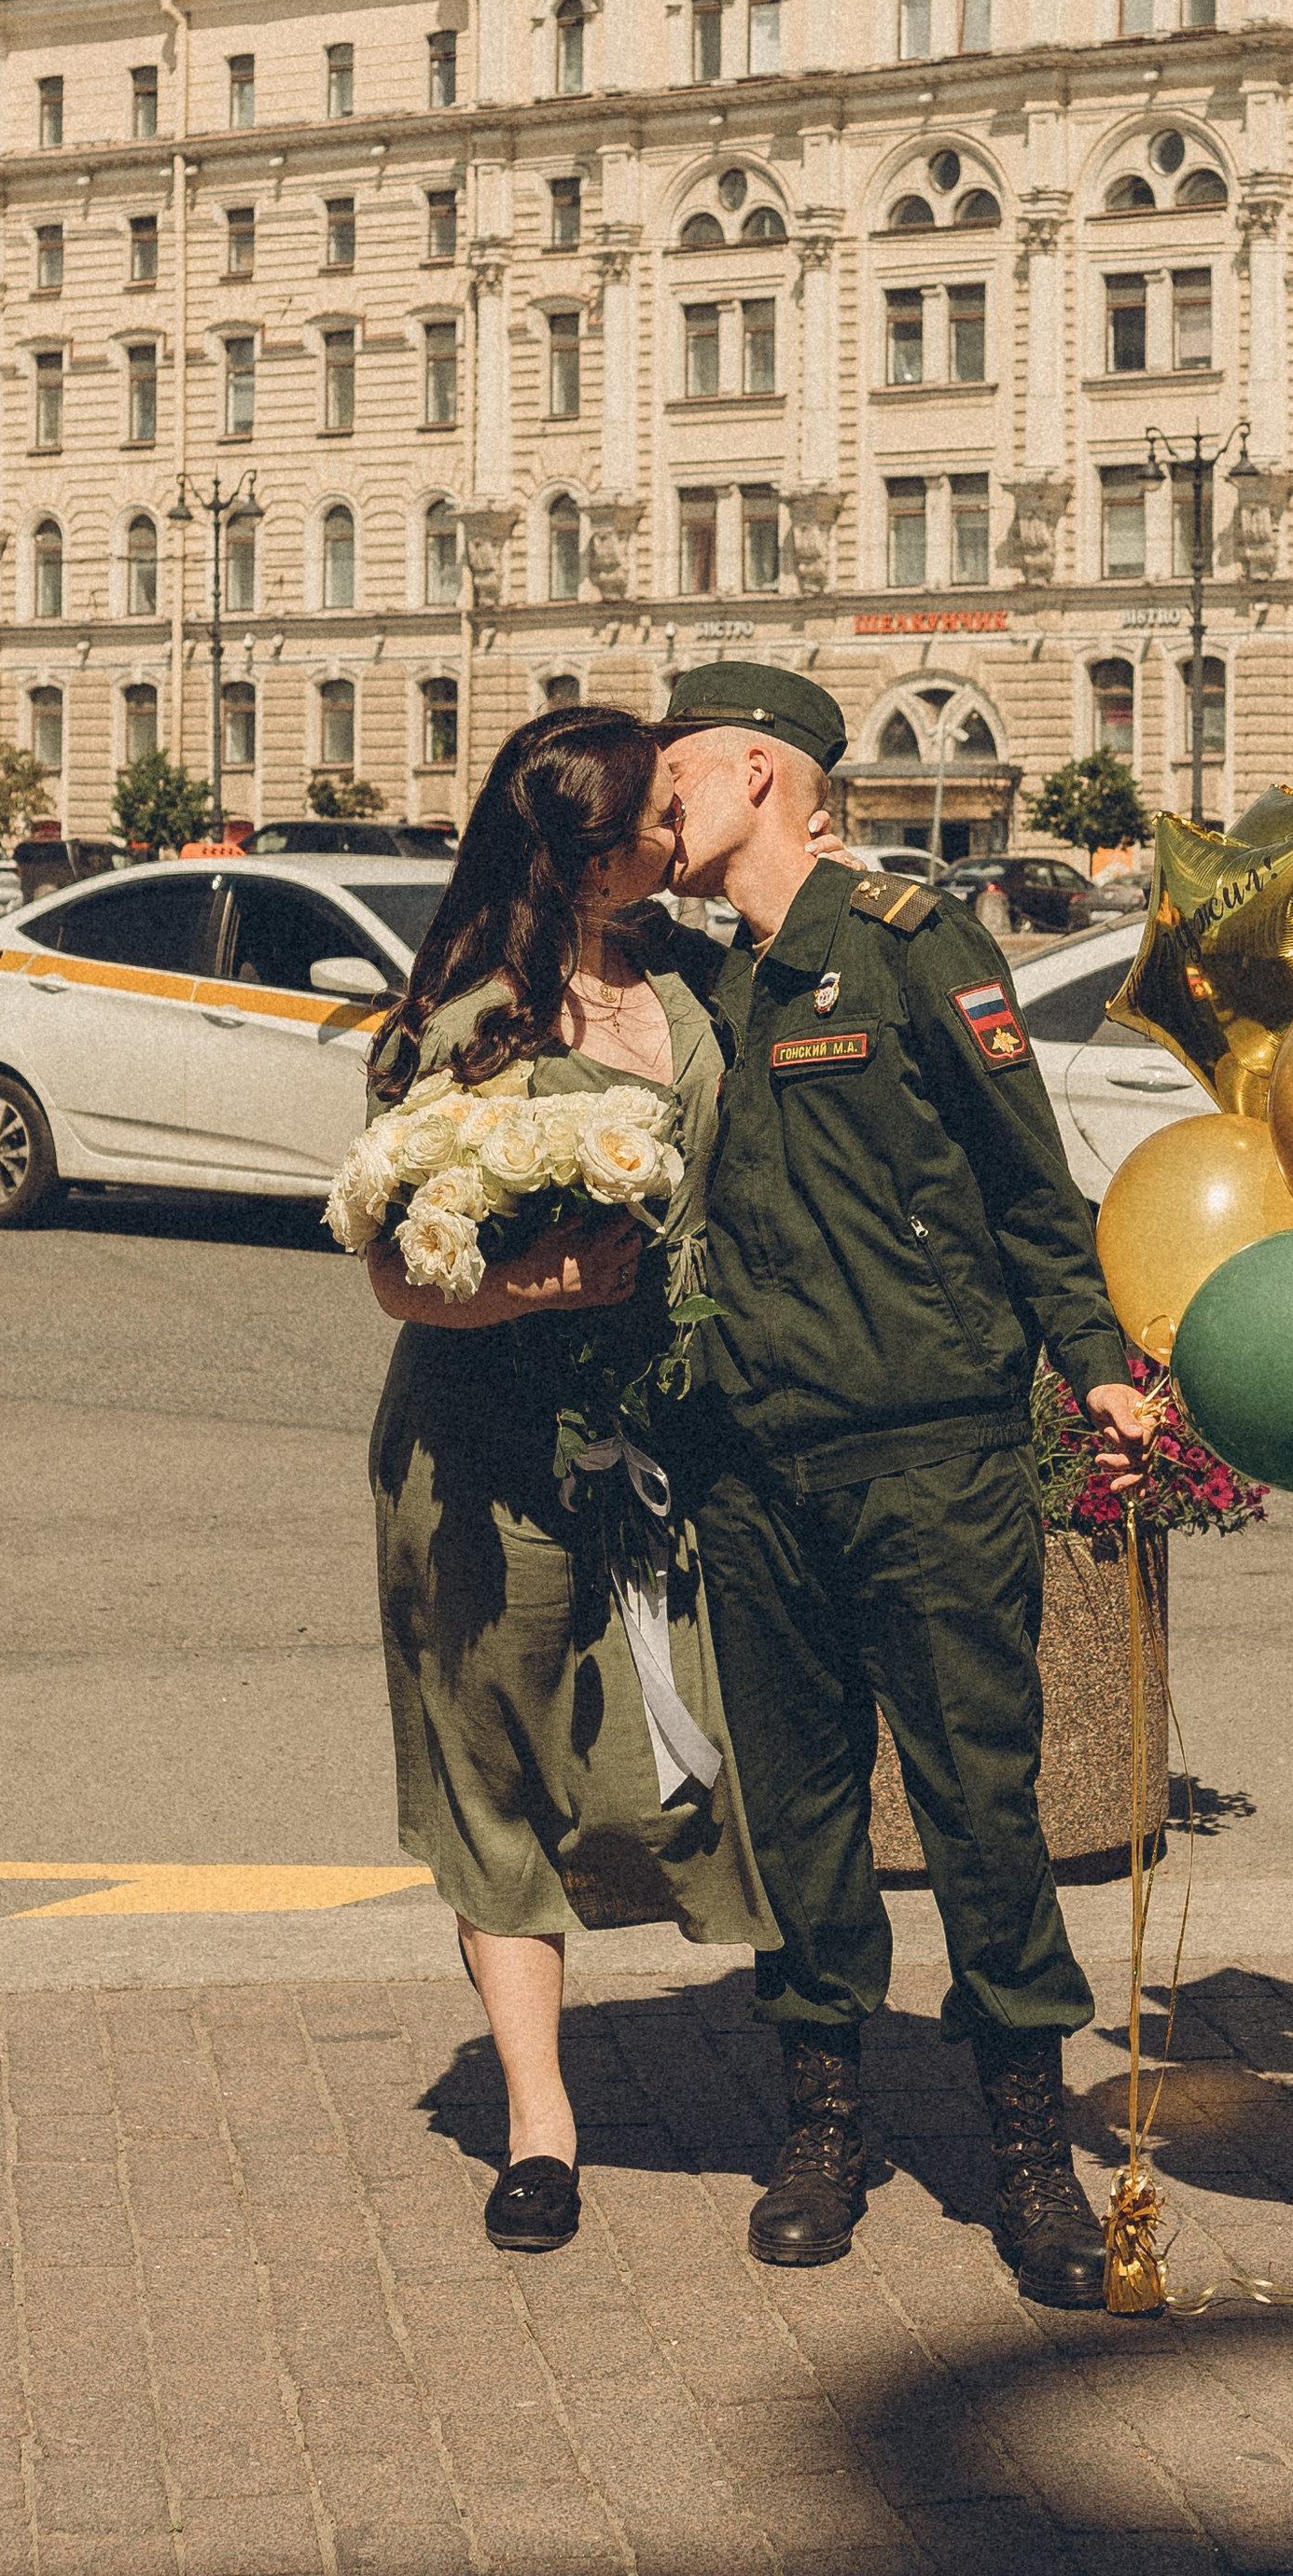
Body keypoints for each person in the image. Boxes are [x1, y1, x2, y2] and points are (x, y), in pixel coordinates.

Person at [657, 663, 1155, 2310]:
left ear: (759, 776)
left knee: (978, 1804)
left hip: (927, 1452)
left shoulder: (909, 942)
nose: (661, 817)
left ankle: (1027, 2146)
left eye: (677, 785)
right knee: (796, 1816)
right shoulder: (686, 983)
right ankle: (823, 2124)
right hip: (751, 1461)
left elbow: (1029, 1185)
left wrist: (1094, 1362)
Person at [361, 705, 773, 2260]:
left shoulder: (684, 980)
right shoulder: (466, 1018)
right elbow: (398, 1275)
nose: (680, 836)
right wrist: (537, 1293)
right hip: (483, 1454)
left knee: (695, 1753)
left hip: (664, 1436)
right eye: (656, 820)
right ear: (583, 854)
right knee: (495, 1772)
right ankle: (541, 2119)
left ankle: (805, 2060)